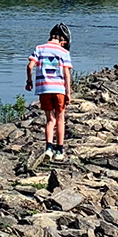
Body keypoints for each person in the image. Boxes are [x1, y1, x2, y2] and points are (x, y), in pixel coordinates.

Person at [26, 23, 73, 161]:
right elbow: (66, 73)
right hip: (59, 89)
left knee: (49, 120)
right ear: (63, 41)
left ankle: (48, 148)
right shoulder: (64, 52)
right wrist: (68, 93)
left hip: (44, 89)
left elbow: (30, 66)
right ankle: (59, 151)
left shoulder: (39, 49)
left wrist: (29, 81)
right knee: (60, 119)